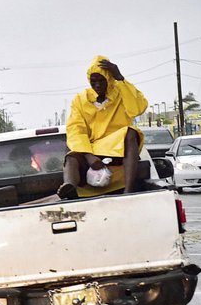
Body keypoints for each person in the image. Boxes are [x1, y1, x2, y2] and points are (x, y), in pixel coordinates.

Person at [58, 56, 148, 199]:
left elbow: (138, 108)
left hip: (116, 145)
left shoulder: (121, 91)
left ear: (109, 79)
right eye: (93, 81)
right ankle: (69, 187)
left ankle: (129, 191)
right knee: (71, 158)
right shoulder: (80, 100)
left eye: (101, 80)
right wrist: (89, 156)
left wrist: (120, 78)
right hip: (91, 147)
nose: (97, 85)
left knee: (131, 133)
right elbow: (76, 130)